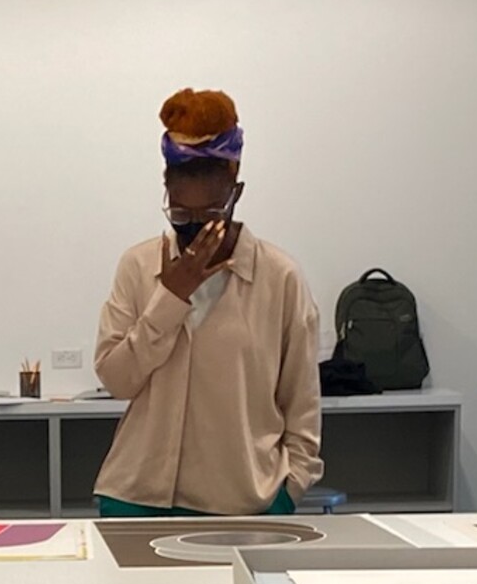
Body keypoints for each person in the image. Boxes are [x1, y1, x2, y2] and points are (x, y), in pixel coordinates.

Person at [92, 89, 322, 517]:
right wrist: (169, 298)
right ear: (166, 193)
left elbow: (302, 405)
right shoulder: (138, 266)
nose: (195, 228)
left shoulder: (280, 278)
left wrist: (290, 490)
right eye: (181, 215)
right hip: (135, 497)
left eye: (211, 215)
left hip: (241, 501)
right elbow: (117, 380)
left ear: (236, 194)